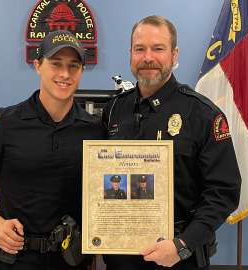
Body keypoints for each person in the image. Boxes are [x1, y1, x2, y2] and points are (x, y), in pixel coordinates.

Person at [0, 30, 105, 270]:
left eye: (73, 66)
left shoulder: (95, 130)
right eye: (56, 64)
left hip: (70, 260)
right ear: (38, 65)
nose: (65, 74)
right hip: (14, 258)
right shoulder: (6, 122)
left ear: (81, 71)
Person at [102, 15, 241, 270]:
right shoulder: (113, 110)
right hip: (120, 254)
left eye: (158, 49)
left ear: (174, 55)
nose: (148, 58)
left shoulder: (202, 114)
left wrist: (182, 244)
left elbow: (223, 192)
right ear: (130, 53)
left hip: (178, 256)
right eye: (139, 49)